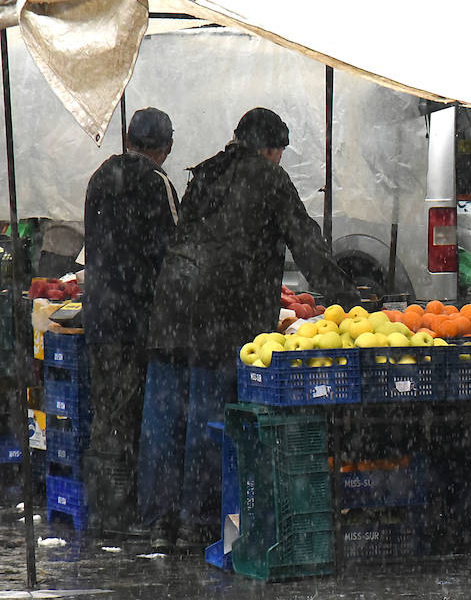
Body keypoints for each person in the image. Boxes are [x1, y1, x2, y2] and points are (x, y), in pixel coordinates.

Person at [138, 108, 361, 550]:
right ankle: (194, 523)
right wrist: (351, 302)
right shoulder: (269, 178)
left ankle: (157, 520)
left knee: (164, 417)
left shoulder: (205, 172)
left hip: (171, 304)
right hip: (220, 311)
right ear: (271, 149)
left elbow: (185, 238)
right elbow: (307, 244)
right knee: (208, 416)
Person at [82, 108, 180, 539]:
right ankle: (123, 514)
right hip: (138, 319)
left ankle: (103, 510)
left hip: (101, 313)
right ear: (167, 147)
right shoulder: (157, 184)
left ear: (126, 137)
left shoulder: (100, 177)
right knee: (135, 416)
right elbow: (176, 255)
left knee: (107, 413)